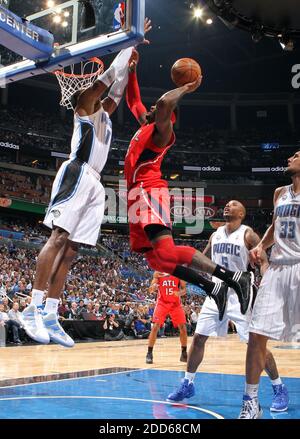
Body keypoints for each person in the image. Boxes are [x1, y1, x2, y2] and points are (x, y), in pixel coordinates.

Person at [125, 50, 254, 324]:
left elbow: (162, 105)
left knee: (168, 254)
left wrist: (184, 87)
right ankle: (213, 286)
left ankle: (230, 279)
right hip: (136, 196)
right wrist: (133, 69)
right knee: (157, 261)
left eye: (157, 111)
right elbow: (133, 100)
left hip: (150, 190)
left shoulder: (163, 133)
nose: (148, 109)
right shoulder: (144, 126)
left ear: (168, 118)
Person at [22, 47, 137, 347]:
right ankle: (32, 308)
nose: (99, 93)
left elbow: (118, 89)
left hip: (95, 183)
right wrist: (126, 45)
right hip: (77, 172)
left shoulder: (104, 114)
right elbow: (109, 79)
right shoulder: (84, 105)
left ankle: (50, 313)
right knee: (58, 238)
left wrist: (131, 64)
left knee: (72, 251)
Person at [167, 200, 288, 413]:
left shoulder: (248, 234)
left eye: (233, 205)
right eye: (227, 204)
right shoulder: (216, 235)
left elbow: (263, 261)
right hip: (217, 289)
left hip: (241, 290)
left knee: (255, 343)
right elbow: (202, 258)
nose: (227, 206)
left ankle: (279, 387)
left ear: (241, 213)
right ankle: (188, 383)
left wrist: (267, 283)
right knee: (199, 336)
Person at [238, 152, 300, 419]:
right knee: (256, 334)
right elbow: (275, 226)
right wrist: (262, 244)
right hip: (276, 268)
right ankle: (251, 402)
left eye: (297, 155)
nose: (291, 157)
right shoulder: (280, 193)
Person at [146, 271, 187, 364]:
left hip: (175, 304)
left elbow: (184, 290)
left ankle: (184, 352)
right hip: (162, 303)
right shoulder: (158, 272)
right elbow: (150, 290)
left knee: (183, 328)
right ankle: (149, 353)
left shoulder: (179, 271)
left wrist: (179, 293)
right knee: (155, 326)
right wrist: (153, 287)